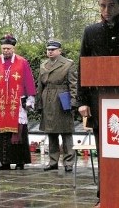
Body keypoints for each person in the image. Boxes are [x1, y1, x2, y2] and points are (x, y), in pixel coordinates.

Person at [76, 0, 119, 207]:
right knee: (104, 150)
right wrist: (83, 101)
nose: (106, 10)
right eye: (102, 5)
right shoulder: (91, 31)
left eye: (111, 5)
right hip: (99, 101)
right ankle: (104, 196)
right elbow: (83, 66)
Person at [0, 33, 36, 170]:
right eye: (4, 48)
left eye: (8, 48)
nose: (6, 51)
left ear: (14, 49)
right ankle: (3, 162)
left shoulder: (22, 62)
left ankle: (19, 161)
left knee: (18, 130)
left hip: (16, 102)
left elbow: (28, 80)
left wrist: (30, 98)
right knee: (0, 134)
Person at [36, 39, 77, 172]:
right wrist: (39, 102)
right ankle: (53, 161)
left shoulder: (68, 64)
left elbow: (73, 84)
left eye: (53, 49)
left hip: (62, 98)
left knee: (66, 132)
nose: (50, 52)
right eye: (48, 49)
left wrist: (73, 101)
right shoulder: (43, 65)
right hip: (47, 97)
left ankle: (68, 162)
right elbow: (40, 85)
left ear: (60, 51)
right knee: (51, 132)